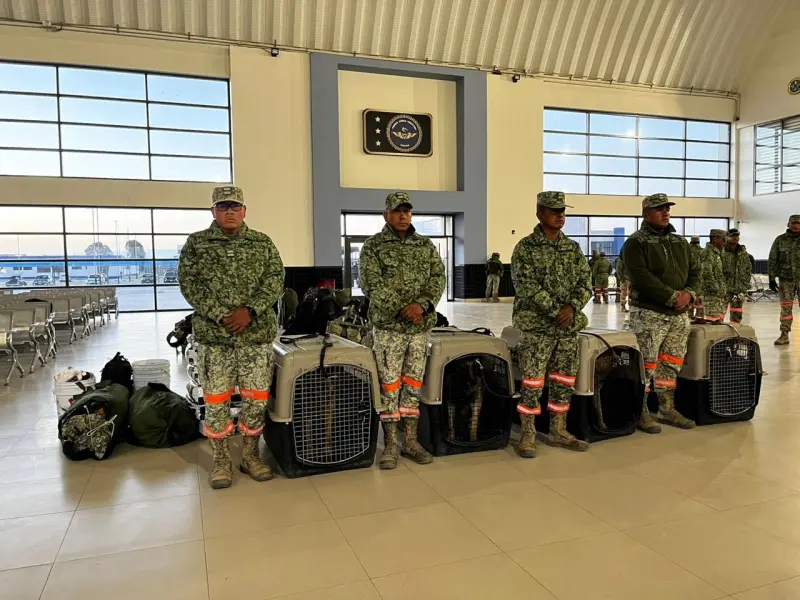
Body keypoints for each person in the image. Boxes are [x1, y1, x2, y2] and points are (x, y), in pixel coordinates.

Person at [178, 186, 285, 489]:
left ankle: (250, 455)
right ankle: (221, 460)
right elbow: (189, 283)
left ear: (244, 210)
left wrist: (249, 311)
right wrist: (221, 314)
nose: (229, 212)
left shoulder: (262, 243)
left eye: (235, 206)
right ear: (213, 211)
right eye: (223, 206)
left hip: (255, 337)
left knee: (256, 400)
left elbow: (275, 280)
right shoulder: (197, 244)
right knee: (216, 402)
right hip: (215, 339)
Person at [359, 191, 446, 469]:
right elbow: (370, 283)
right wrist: (402, 309)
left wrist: (422, 306)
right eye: (397, 211)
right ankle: (389, 445)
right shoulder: (373, 246)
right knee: (389, 387)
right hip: (389, 329)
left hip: (419, 329)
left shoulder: (425, 245)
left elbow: (438, 277)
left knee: (413, 385)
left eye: (407, 211)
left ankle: (409, 441)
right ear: (386, 214)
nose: (403, 216)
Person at [511, 191, 592, 458]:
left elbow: (586, 283)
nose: (560, 215)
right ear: (540, 214)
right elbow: (526, 286)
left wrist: (571, 308)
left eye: (562, 211)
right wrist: (558, 310)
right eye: (554, 211)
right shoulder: (526, 247)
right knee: (532, 382)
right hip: (537, 328)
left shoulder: (573, 248)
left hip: (566, 329)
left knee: (563, 380)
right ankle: (528, 434)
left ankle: (558, 430)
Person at [621, 193, 698, 432]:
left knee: (671, 363)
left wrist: (689, 293)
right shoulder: (636, 242)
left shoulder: (679, 242)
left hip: (679, 316)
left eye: (667, 209)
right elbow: (641, 277)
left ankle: (666, 408)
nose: (665, 213)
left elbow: (696, 271)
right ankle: (641, 411)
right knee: (646, 365)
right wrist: (672, 297)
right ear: (645, 214)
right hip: (649, 313)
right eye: (659, 209)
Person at [768, 214, 800, 345]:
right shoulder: (780, 240)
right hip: (786, 279)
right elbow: (773, 259)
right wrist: (771, 278)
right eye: (793, 223)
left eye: (798, 223)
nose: (796, 225)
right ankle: (784, 334)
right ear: (788, 224)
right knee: (786, 308)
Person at [723, 228, 752, 323]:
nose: (735, 238)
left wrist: (745, 283)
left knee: (737, 312)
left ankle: (735, 330)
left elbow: (748, 268)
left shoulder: (743, 252)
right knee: (719, 312)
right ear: (726, 237)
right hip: (725, 288)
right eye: (732, 236)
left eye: (737, 236)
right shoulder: (721, 251)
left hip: (739, 288)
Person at [698, 230, 728, 322]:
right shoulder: (708, 253)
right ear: (715, 239)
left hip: (718, 294)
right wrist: (716, 289)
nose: (725, 242)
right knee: (713, 320)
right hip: (711, 294)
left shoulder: (717, 252)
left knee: (718, 320)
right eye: (723, 239)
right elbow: (706, 273)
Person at [688, 236, 703, 318]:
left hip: (688, 277)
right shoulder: (702, 251)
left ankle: (689, 315)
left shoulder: (686, 250)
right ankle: (699, 315)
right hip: (699, 277)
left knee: (689, 295)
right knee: (699, 297)